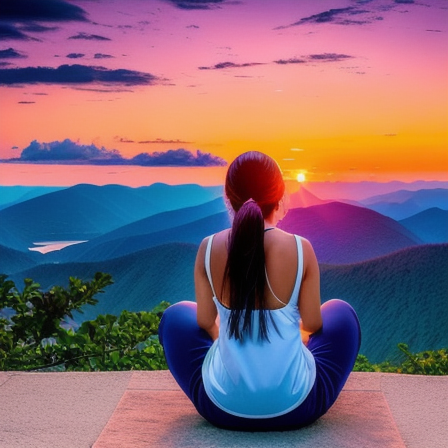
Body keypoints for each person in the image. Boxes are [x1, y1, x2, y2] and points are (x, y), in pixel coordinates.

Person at [159, 151, 361, 431]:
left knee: (175, 316)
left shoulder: (208, 248)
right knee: (342, 313)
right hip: (298, 407)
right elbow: (314, 324)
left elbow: (205, 322)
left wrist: (230, 339)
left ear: (229, 200)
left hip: (222, 409)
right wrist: (289, 334)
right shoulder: (302, 249)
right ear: (279, 196)